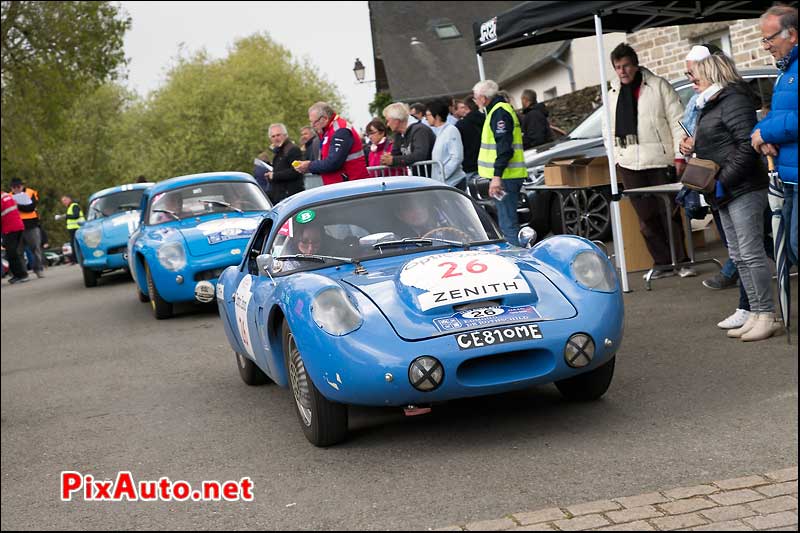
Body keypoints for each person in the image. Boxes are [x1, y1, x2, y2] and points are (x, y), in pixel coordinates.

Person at [690, 54, 781, 342]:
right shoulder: (709, 103)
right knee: (739, 254)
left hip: (742, 188)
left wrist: (722, 181)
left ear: (713, 74)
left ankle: (767, 314)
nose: (693, 80)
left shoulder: (733, 100)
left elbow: (745, 145)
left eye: (698, 75)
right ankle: (755, 311)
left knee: (751, 253)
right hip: (724, 189)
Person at [607, 43, 695, 279]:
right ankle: (662, 262)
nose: (622, 71)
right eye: (617, 67)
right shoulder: (612, 93)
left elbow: (678, 120)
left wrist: (680, 155)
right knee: (646, 218)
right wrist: (616, 159)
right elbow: (609, 130)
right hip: (629, 164)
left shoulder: (658, 86)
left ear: (635, 65)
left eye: (625, 66)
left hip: (660, 160)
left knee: (670, 213)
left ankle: (683, 261)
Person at [751, 5, 798, 267]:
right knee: (790, 249)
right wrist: (759, 133)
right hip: (789, 175)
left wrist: (765, 132)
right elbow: (775, 115)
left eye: (769, 38)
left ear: (791, 34)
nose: (766, 46)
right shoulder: (786, 71)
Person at [472, 79, 527, 246]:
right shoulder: (499, 110)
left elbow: (505, 148)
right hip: (507, 175)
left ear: (483, 98)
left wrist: (496, 177)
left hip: (506, 176)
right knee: (508, 221)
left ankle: (517, 258)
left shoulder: (499, 112)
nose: (475, 102)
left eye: (475, 98)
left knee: (508, 223)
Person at [293, 102, 369, 186]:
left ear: (325, 118)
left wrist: (309, 166)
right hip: (340, 184)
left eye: (314, 122)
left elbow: (333, 162)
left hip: (351, 184)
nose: (312, 126)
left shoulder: (340, 130)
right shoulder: (327, 130)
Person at [380, 102, 436, 177]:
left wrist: (394, 160)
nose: (387, 124)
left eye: (388, 120)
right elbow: (395, 154)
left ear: (396, 121)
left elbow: (420, 155)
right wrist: (387, 158)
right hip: (417, 178)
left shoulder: (420, 130)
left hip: (430, 178)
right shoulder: (399, 134)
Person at [426, 99, 466, 189]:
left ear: (437, 116)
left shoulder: (451, 130)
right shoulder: (439, 132)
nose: (426, 118)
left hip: (454, 182)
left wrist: (443, 174)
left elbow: (457, 157)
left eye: (428, 115)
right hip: (444, 183)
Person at [9, 177, 44, 278]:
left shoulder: (30, 192)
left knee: (35, 248)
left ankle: (38, 269)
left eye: (18, 186)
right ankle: (23, 273)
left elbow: (30, 208)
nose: (16, 189)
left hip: (31, 224)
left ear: (22, 186)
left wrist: (18, 206)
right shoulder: (9, 196)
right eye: (13, 187)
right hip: (16, 226)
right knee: (19, 251)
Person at [264, 123, 304, 204]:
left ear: (285, 135)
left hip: (290, 196)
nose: (276, 138)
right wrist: (270, 176)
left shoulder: (292, 149)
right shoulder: (278, 152)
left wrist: (274, 175)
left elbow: (296, 171)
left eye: (278, 135)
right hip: (280, 196)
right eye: (273, 136)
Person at [1, 189, 29, 283]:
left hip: (10, 228)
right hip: (18, 226)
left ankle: (21, 275)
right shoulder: (7, 195)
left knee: (11, 253)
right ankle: (20, 274)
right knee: (13, 252)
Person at [455, 96, 485, 179]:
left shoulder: (461, 125)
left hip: (469, 166)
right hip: (487, 163)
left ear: (467, 107)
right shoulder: (487, 119)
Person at [55, 195, 84, 265]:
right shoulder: (70, 207)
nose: (64, 203)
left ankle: (76, 260)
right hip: (73, 228)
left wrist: (65, 216)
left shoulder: (74, 205)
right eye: (62, 201)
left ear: (69, 199)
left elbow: (76, 215)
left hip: (77, 228)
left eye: (65, 200)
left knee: (76, 244)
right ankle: (75, 259)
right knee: (73, 244)